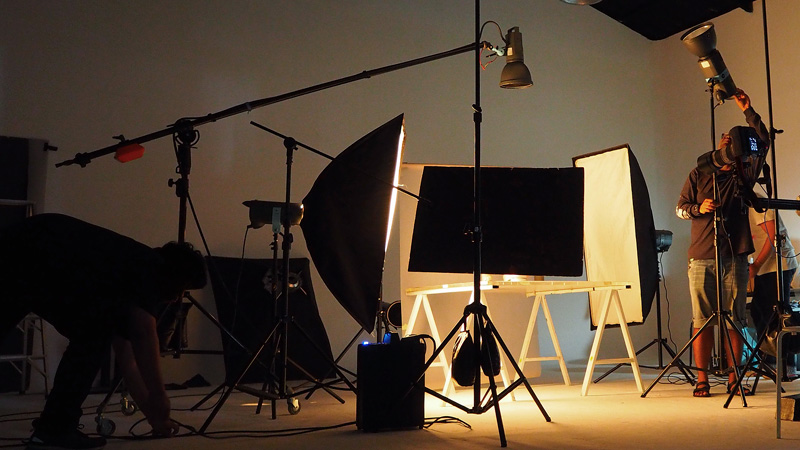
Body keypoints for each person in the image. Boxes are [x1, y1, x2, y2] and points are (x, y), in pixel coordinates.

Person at [0, 213, 207, 450]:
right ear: (176, 276)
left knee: (94, 334)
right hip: (34, 251)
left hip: (21, 248)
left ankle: (53, 428)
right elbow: (144, 335)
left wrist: (153, 414)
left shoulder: (123, 275)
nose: (179, 297)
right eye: (184, 288)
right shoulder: (151, 268)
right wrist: (159, 396)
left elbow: (127, 361)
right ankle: (54, 429)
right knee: (92, 338)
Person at [675, 88, 769, 398]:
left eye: (734, 144)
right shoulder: (698, 174)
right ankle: (702, 379)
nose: (729, 147)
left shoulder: (745, 174)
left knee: (735, 320)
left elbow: (763, 142)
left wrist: (748, 111)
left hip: (736, 256)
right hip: (702, 255)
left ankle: (733, 378)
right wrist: (698, 208)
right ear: (718, 147)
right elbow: (679, 208)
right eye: (725, 143)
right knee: (702, 321)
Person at [748, 193, 798, 368]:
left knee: (776, 314)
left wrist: (756, 265)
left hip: (778, 265)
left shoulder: (754, 202)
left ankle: (784, 362)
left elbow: (772, 237)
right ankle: (772, 358)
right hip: (768, 267)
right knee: (760, 312)